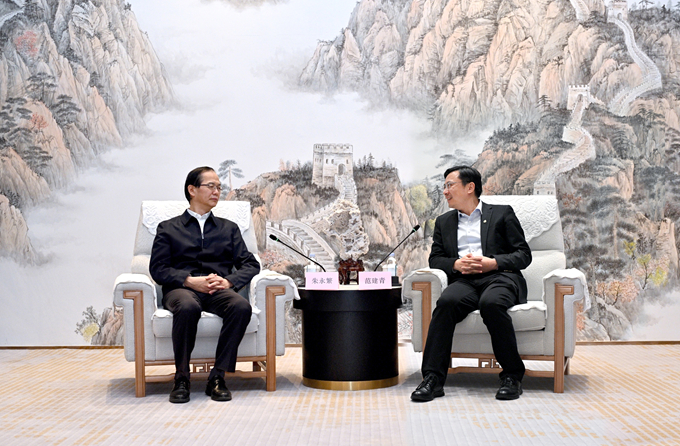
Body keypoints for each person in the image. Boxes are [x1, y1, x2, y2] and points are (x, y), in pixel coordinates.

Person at [411, 165, 532, 402]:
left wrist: (493, 263)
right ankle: (433, 379)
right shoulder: (444, 222)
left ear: (470, 187)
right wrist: (456, 264)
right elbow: (435, 259)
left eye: (450, 185)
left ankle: (512, 376)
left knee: (491, 303)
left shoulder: (502, 213)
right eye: (444, 186)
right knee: (446, 303)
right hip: (464, 281)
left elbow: (523, 255)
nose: (445, 191)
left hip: (500, 277)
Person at [149, 166, 260, 403]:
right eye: (211, 186)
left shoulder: (229, 228)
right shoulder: (168, 228)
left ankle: (217, 377)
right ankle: (181, 378)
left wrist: (228, 281)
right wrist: (188, 280)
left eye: (219, 187)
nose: (217, 191)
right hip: (181, 290)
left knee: (241, 307)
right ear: (192, 190)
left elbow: (250, 264)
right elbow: (158, 269)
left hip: (216, 290)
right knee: (188, 306)